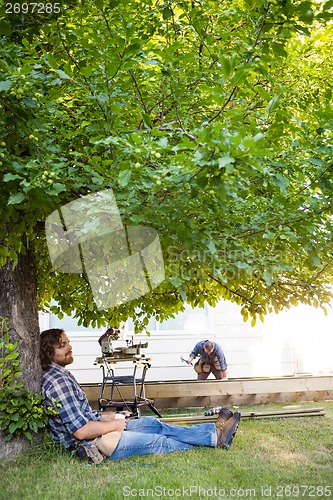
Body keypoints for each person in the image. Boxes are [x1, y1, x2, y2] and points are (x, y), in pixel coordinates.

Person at [39, 328, 240, 462]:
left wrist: (111, 416)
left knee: (155, 424)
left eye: (68, 342)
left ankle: (214, 432)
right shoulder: (57, 382)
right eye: (62, 345)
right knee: (160, 441)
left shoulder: (61, 375)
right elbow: (81, 431)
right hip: (91, 445)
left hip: (97, 432)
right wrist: (114, 425)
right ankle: (214, 438)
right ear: (49, 352)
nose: (70, 347)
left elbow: (82, 416)